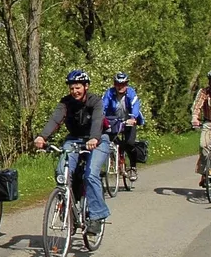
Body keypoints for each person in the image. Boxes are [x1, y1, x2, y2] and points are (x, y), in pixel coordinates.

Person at [34, 70, 110, 240]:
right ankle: (69, 210)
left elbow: (97, 121)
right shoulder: (65, 103)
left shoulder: (95, 101)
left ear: (86, 87)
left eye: (78, 87)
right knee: (62, 172)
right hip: (74, 139)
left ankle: (97, 216)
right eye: (72, 88)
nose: (75, 91)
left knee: (90, 175)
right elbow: (55, 120)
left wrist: (94, 138)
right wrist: (42, 136)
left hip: (98, 139)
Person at [103, 72, 144, 182]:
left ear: (127, 84)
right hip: (114, 121)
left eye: (123, 84)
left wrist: (133, 118)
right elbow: (103, 105)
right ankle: (116, 160)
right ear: (114, 84)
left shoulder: (131, 93)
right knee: (111, 142)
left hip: (129, 120)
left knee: (130, 144)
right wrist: (100, 117)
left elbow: (135, 105)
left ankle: (133, 167)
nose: (120, 86)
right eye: (117, 84)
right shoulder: (110, 93)